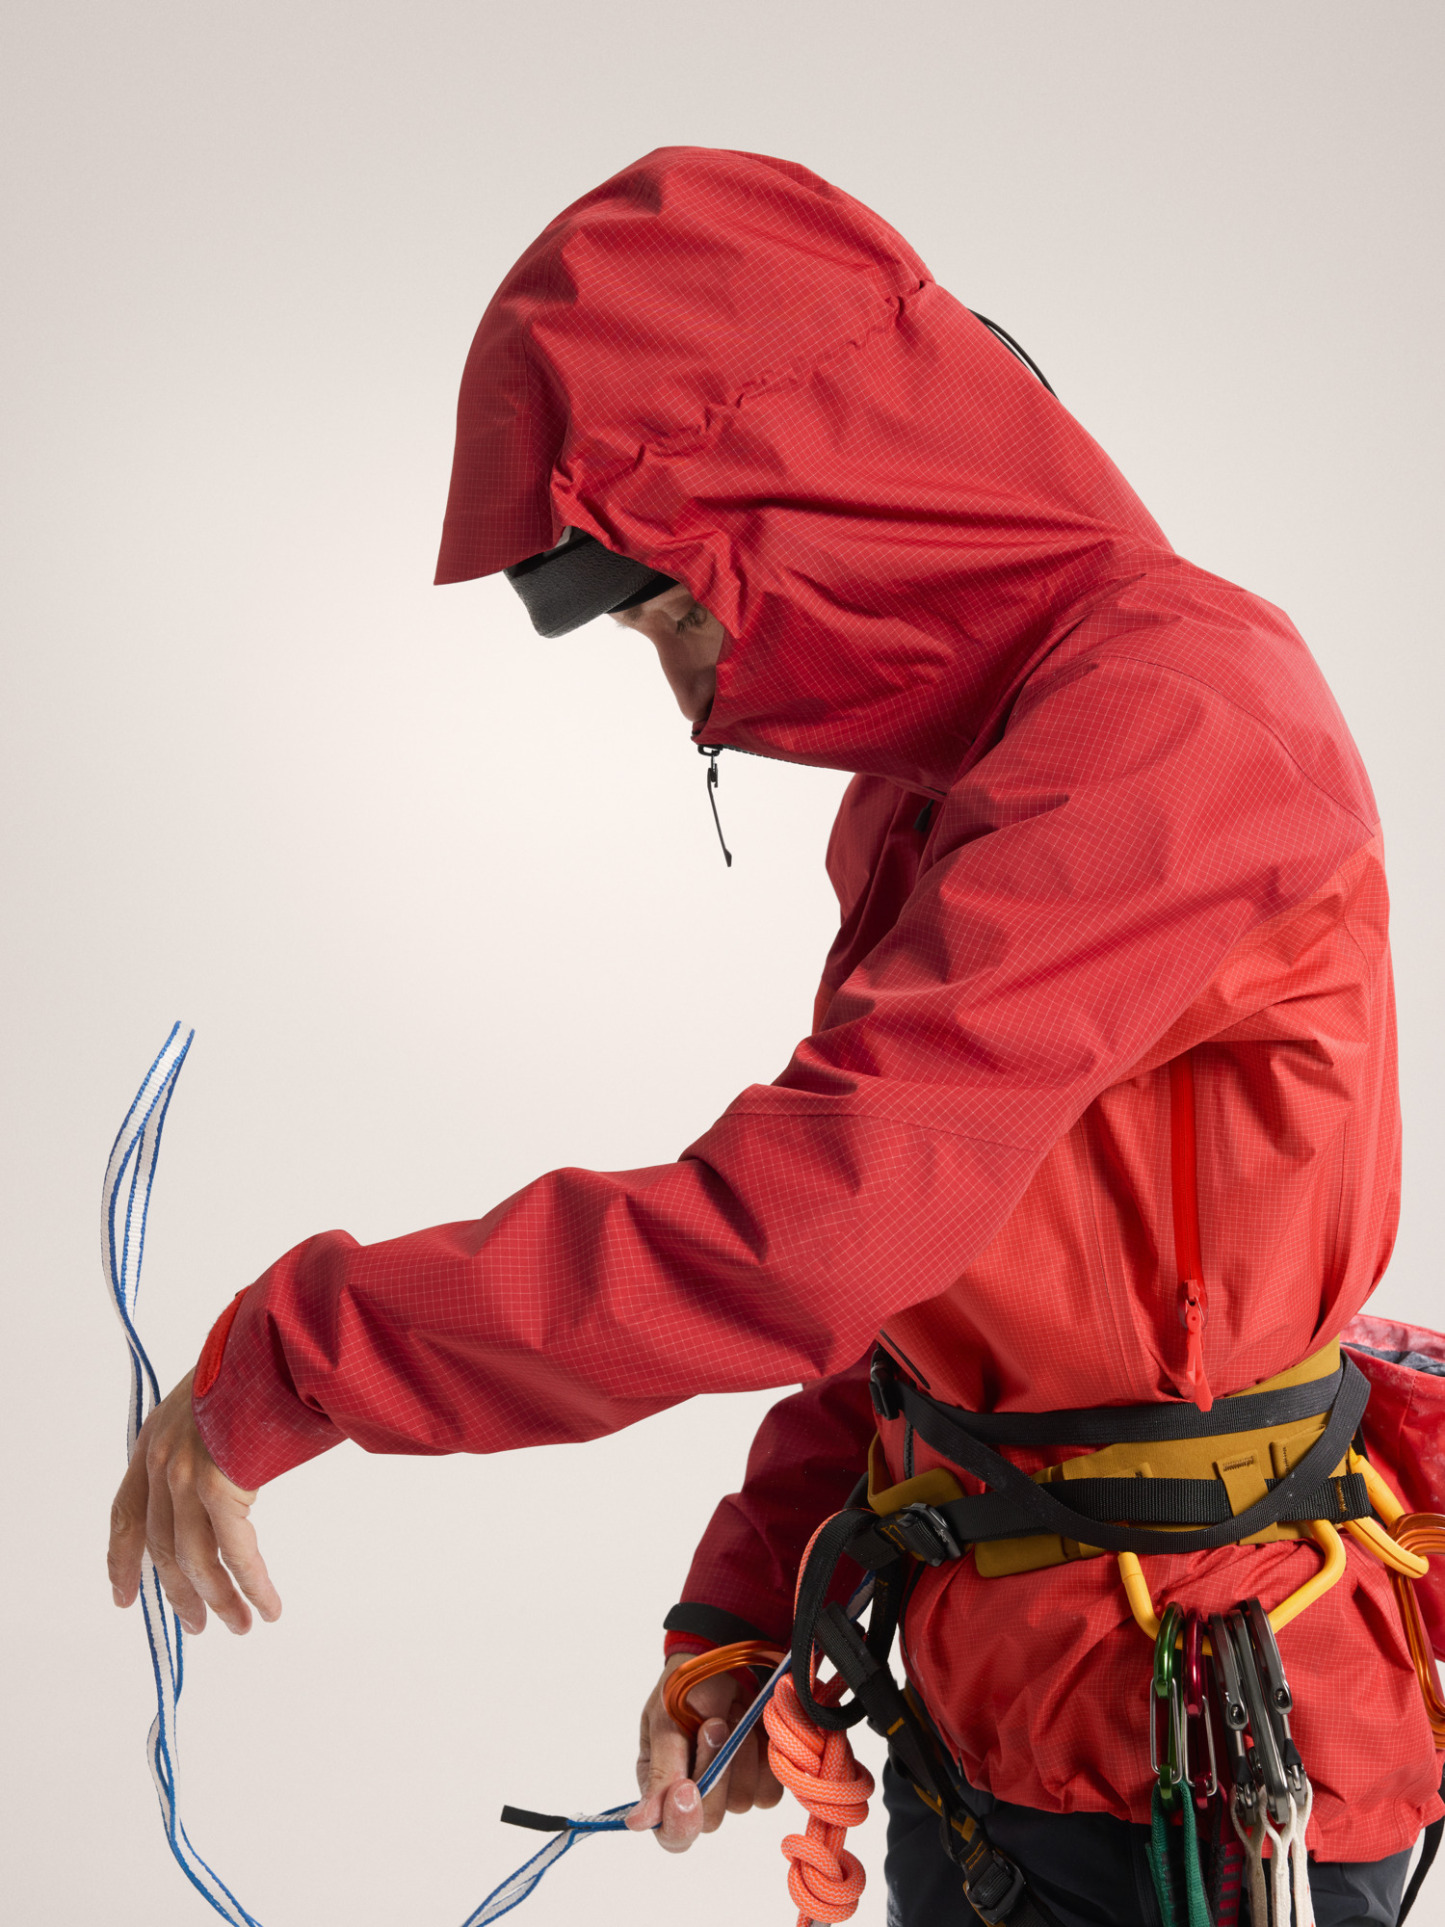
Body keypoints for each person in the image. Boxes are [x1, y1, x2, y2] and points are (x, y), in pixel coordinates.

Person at [106, 146, 1440, 1924]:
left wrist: (308, 1356)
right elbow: (921, 1279)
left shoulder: (1168, 729)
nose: (686, 697)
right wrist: (743, 1615)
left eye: (676, 608)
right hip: (994, 1725)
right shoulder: (941, 782)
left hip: (1174, 1767)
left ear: (833, 505)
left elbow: (809, 1231)